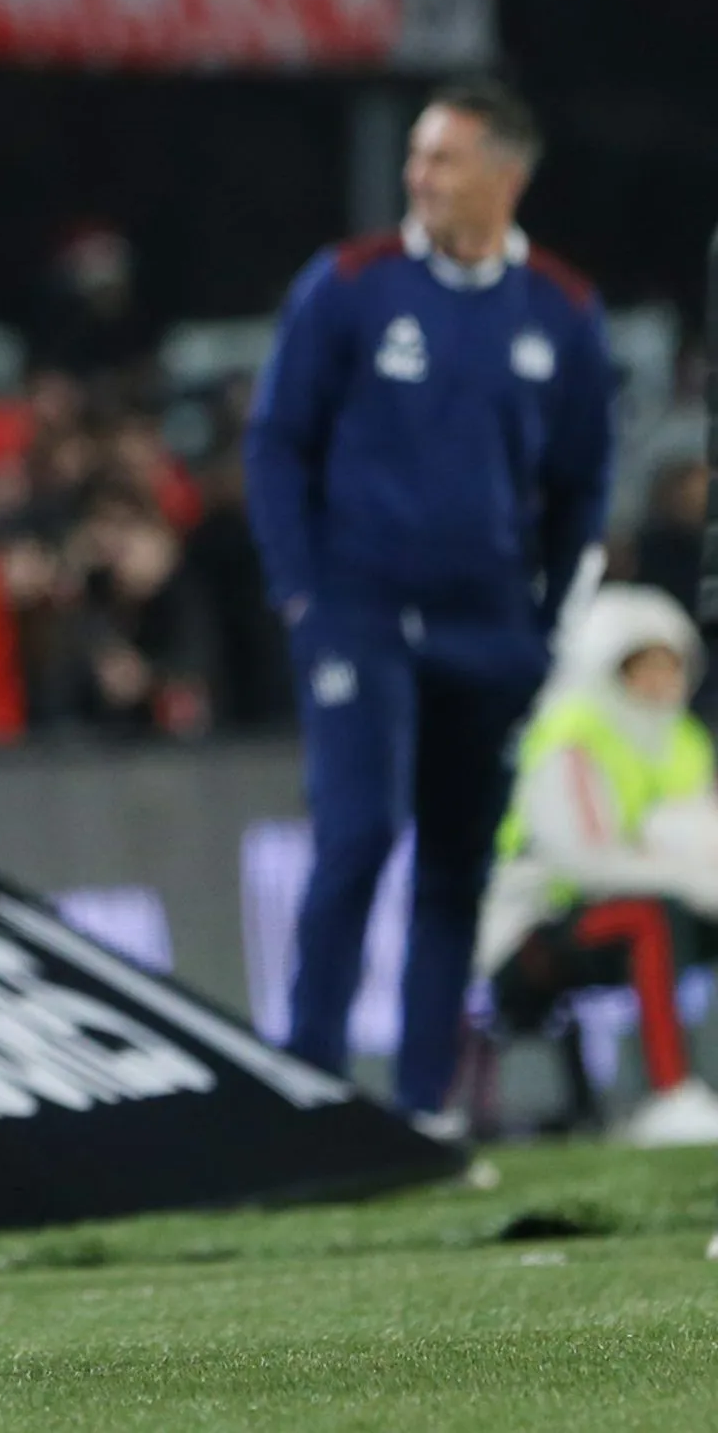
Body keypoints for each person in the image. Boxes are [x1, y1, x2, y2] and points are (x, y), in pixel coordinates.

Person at [245, 80, 614, 1132]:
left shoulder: (561, 307)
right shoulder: (350, 285)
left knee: (456, 862)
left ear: (507, 173)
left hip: (491, 625)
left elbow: (584, 480)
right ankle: (311, 1089)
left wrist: (544, 620)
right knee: (357, 832)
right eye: (416, 155)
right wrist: (303, 593)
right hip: (358, 611)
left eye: (442, 158)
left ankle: (417, 1109)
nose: (418, 176)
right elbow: (275, 442)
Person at [476, 585, 718, 1146]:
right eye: (642, 668)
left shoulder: (685, 740)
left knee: (662, 913)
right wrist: (694, 878)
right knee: (648, 918)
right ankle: (669, 1095)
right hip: (537, 932)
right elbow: (583, 861)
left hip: (653, 905)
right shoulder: (570, 734)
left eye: (670, 666)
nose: (660, 683)